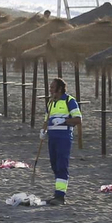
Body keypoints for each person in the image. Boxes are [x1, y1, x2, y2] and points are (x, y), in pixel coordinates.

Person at [43, 77, 84, 205]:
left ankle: (60, 196)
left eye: (52, 87)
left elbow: (78, 119)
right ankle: (57, 193)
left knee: (62, 165)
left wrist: (64, 121)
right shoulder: (50, 102)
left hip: (64, 138)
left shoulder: (69, 101)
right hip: (52, 138)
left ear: (59, 89)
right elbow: (47, 120)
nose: (50, 90)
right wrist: (43, 131)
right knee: (54, 165)